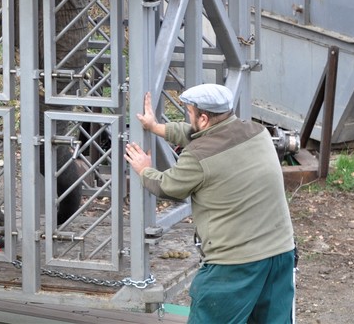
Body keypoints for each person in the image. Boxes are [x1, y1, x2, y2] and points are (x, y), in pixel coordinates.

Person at [124, 84, 295, 324]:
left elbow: (166, 186)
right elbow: (201, 135)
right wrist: (155, 127)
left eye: (190, 112)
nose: (189, 116)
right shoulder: (257, 132)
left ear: (203, 118)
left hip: (235, 264)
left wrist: (144, 170)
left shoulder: (198, 157)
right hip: (281, 252)